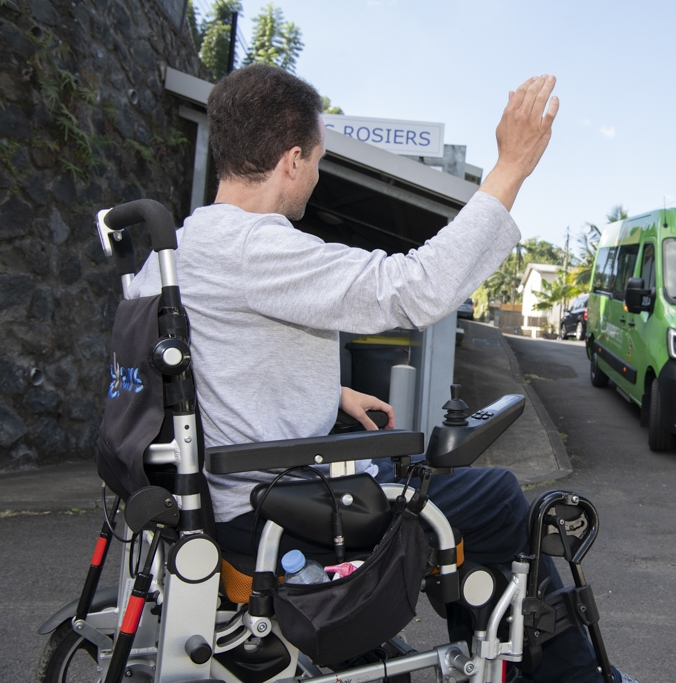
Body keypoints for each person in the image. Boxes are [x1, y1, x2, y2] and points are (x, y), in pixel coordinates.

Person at [128, 64, 636, 683]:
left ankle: (409, 636)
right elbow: (414, 290)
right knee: (499, 498)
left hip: (219, 498)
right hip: (274, 514)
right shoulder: (258, 248)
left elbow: (207, 368)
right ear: (292, 160)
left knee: (411, 479)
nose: (315, 174)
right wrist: (511, 168)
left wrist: (331, 390)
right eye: (315, 158)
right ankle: (571, 676)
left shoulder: (172, 256)